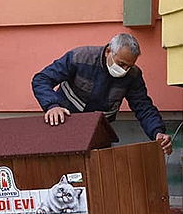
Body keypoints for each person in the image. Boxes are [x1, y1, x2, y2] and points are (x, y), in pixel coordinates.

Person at [31, 33, 173, 155]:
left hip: (98, 133)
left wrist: (157, 131)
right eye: (121, 64)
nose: (124, 70)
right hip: (65, 125)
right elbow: (41, 79)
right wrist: (52, 106)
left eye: (129, 66)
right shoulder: (80, 57)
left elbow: (143, 107)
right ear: (108, 51)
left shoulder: (133, 75)